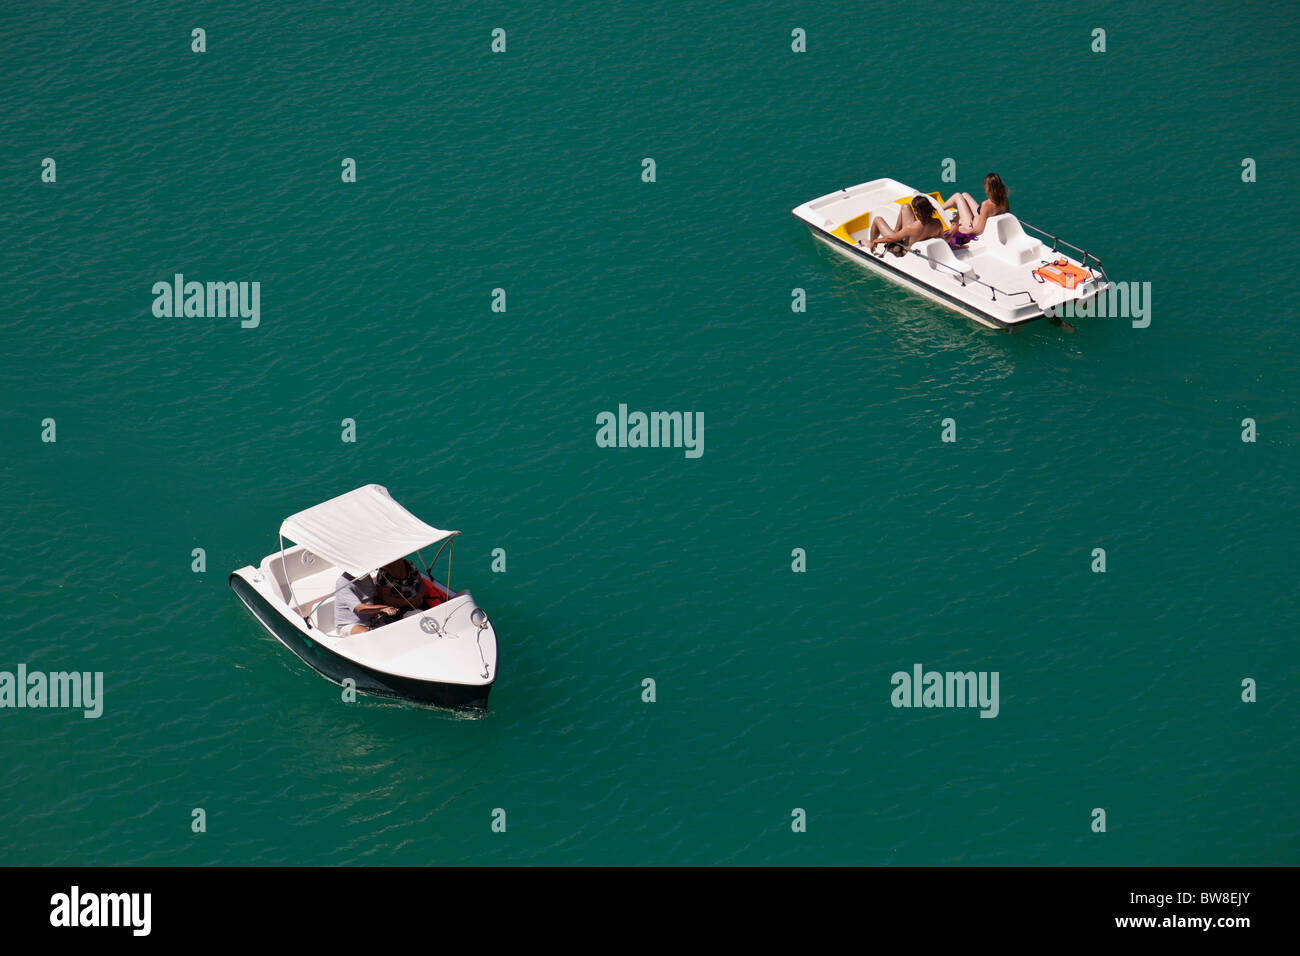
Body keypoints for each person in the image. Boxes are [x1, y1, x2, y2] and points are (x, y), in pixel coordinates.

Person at [942, 172, 1009, 245]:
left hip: (971, 226)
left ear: (988, 188)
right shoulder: (1004, 200)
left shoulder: (986, 204)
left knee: (957, 196)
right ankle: (954, 217)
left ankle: (938, 210)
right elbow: (1006, 213)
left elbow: (979, 230)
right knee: (964, 195)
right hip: (979, 217)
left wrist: (964, 231)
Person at [867, 195, 945, 256]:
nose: (914, 212)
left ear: (918, 211)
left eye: (915, 210)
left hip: (902, 249)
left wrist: (876, 241)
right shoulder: (938, 224)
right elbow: (944, 240)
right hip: (914, 238)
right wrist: (952, 232)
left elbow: (891, 239)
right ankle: (896, 231)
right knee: (905, 206)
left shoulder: (911, 228)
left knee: (877, 219)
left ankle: (871, 245)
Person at [334, 568, 401, 636]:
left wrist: (390, 607)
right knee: (366, 634)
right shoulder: (342, 583)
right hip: (350, 624)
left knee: (398, 621)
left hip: (373, 620)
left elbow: (374, 597)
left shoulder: (365, 576)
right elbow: (359, 608)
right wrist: (383, 608)